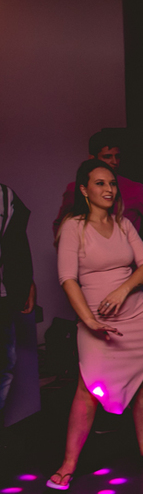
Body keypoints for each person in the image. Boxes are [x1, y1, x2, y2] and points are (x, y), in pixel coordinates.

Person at [48, 160, 143, 489]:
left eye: (111, 183)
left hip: (137, 315)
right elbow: (67, 279)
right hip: (94, 320)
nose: (109, 189)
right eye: (100, 183)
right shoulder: (73, 227)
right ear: (84, 190)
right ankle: (68, 464)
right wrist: (89, 320)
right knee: (87, 390)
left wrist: (123, 289)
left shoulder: (124, 224)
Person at [52, 129, 143, 260]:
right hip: (88, 265)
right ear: (92, 158)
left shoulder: (134, 189)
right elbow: (60, 224)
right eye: (107, 157)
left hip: (128, 265)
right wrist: (68, 256)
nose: (114, 162)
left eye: (117, 156)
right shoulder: (75, 189)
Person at [0, 182, 35, 448]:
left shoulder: (6, 195)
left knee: (5, 363)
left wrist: (27, 283)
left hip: (3, 295)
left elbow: (16, 244)